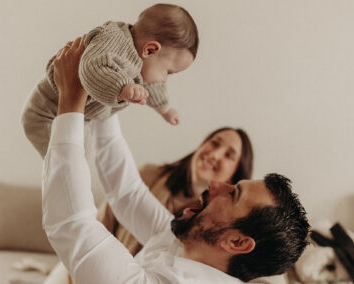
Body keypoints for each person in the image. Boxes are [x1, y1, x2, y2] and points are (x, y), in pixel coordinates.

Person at [42, 38, 310, 283]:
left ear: (237, 242)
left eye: (233, 194)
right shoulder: (184, 241)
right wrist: (104, 90)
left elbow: (72, 224)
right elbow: (125, 192)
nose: (218, 185)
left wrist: (71, 100)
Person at [22, 3, 199, 157]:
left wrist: (165, 109)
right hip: (44, 113)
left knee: (83, 154)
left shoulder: (139, 61)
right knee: (64, 160)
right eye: (168, 71)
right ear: (150, 50)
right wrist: (122, 87)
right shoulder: (113, 41)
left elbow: (152, 85)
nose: (164, 79)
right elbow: (93, 68)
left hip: (75, 117)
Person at [97, 124, 253, 256]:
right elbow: (100, 226)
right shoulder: (149, 175)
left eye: (228, 155)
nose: (215, 154)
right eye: (214, 143)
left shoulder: (211, 226)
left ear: (234, 177)